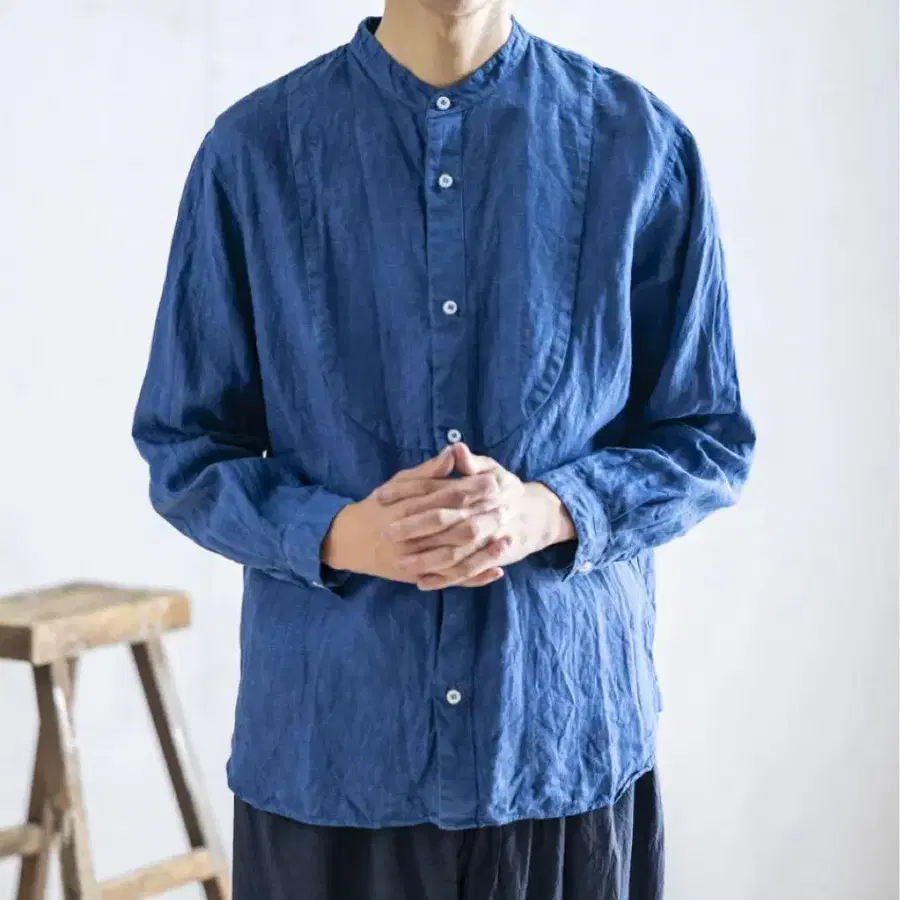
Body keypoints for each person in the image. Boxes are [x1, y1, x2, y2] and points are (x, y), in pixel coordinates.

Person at [132, 0, 755, 896]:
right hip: (334, 757)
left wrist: (549, 512)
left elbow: (706, 435)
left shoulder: (639, 144)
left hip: (558, 751)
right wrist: (340, 534)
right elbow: (185, 444)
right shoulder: (254, 152)